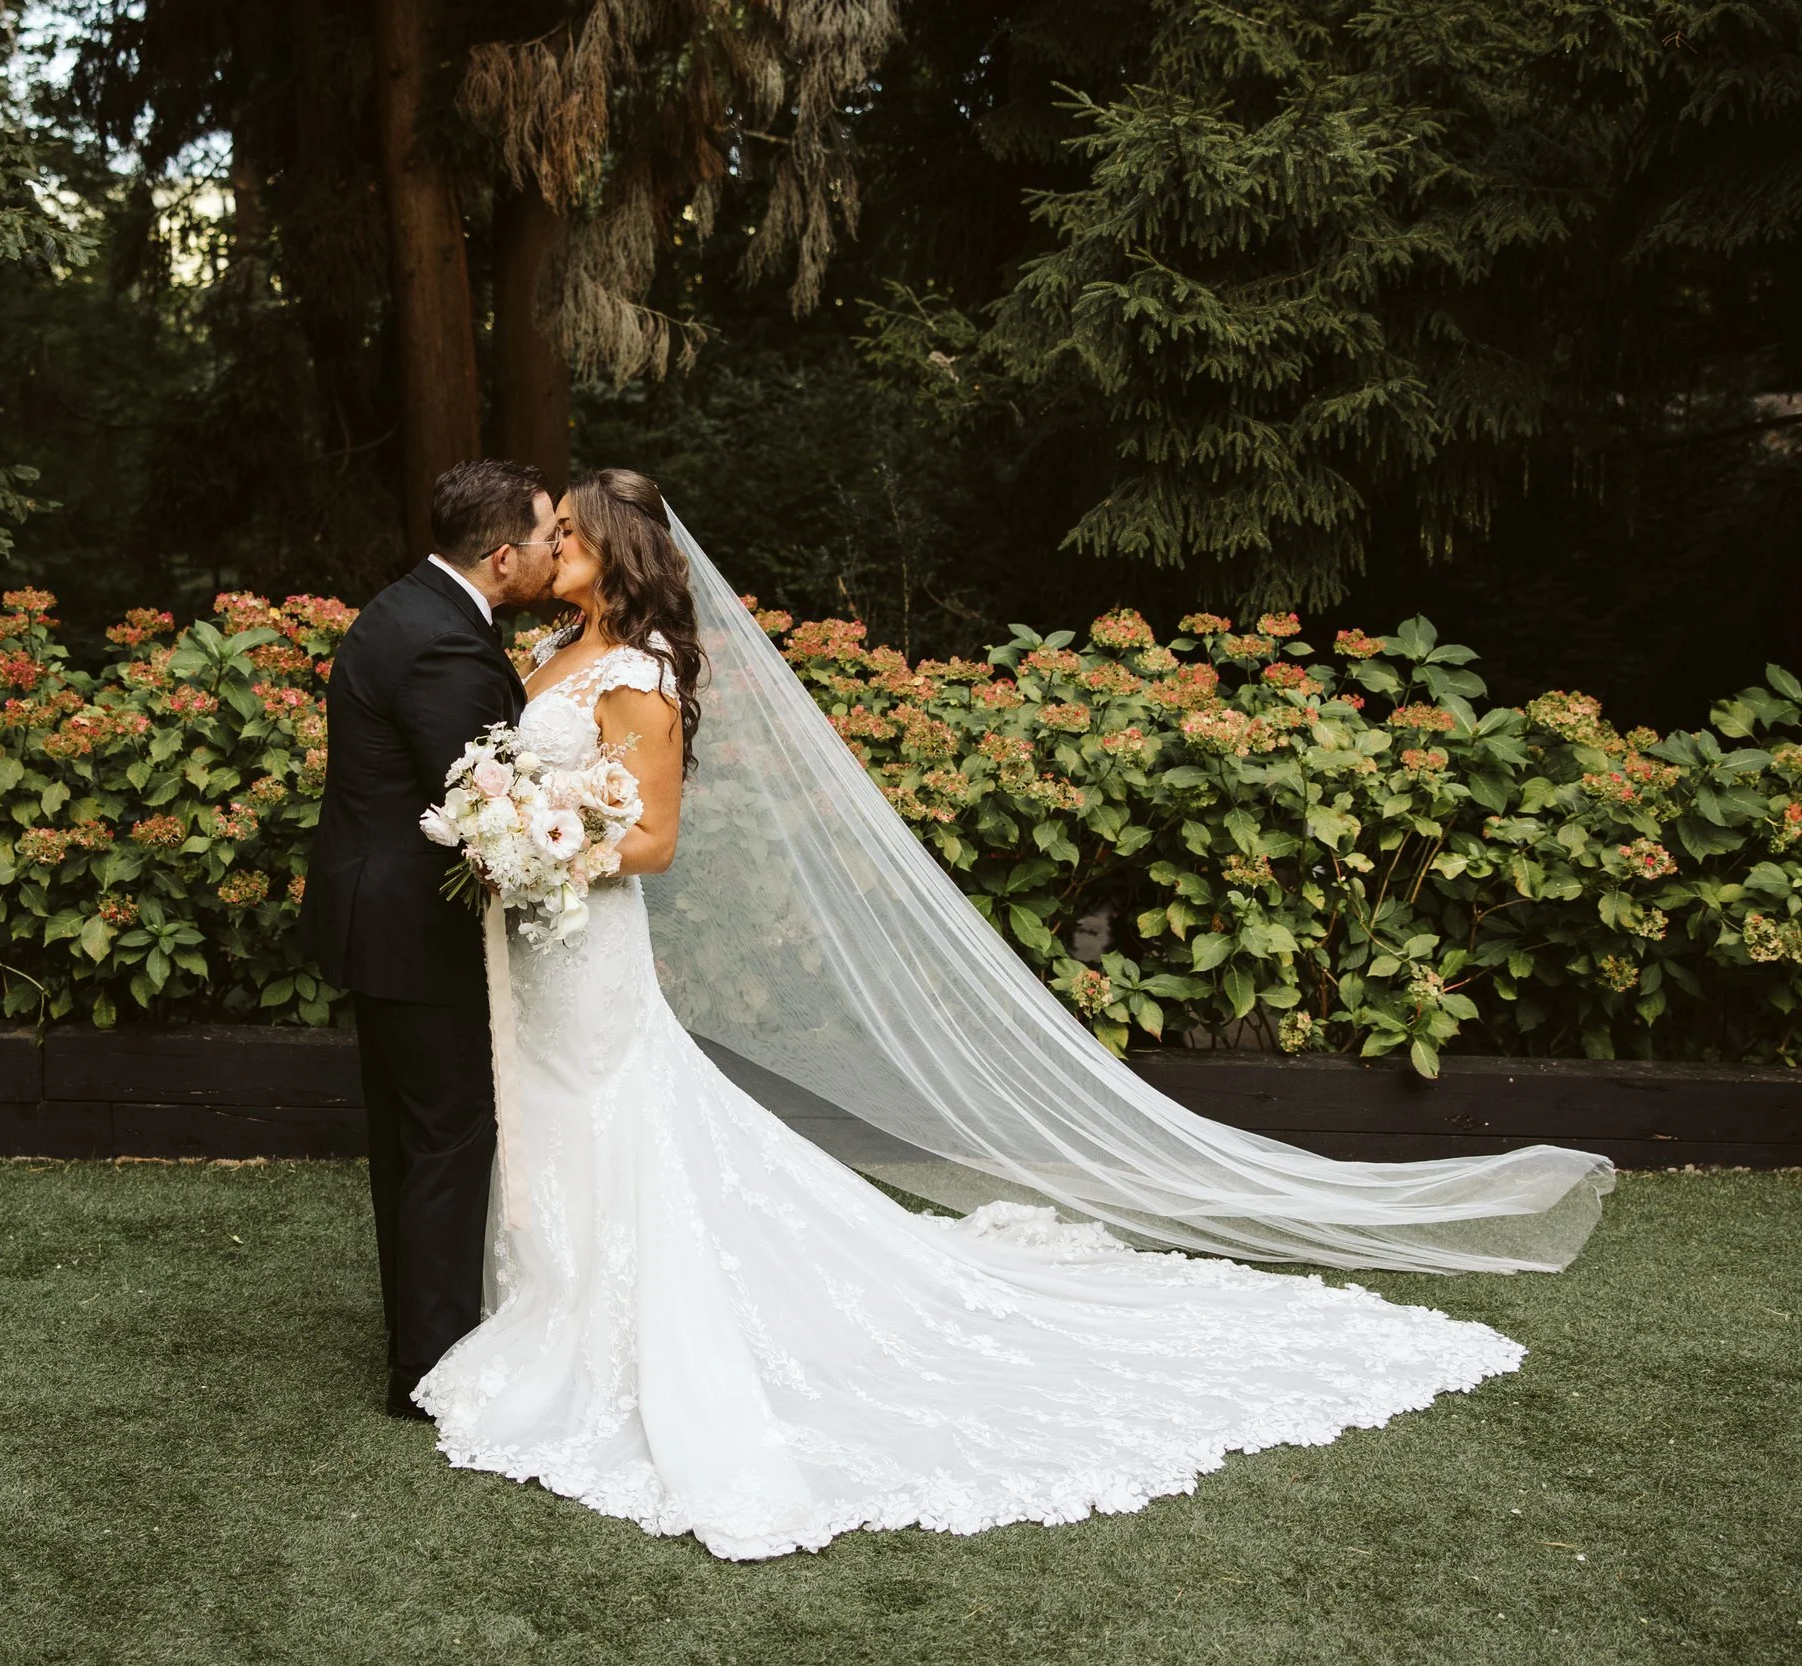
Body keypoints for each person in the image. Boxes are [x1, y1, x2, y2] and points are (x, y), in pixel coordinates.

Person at [408, 468, 1615, 1560]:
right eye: (552, 533)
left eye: (569, 534)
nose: (549, 545)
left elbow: (656, 842)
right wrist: (507, 822)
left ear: (615, 552)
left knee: (614, 1110)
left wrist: (534, 847)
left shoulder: (641, 677)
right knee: (554, 1109)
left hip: (586, 936)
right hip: (540, 946)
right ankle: (552, 1296)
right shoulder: (556, 647)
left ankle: (616, 1325)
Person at [301, 459, 561, 1421]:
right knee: (449, 1138)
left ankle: (419, 1348)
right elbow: (482, 804)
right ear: (503, 558)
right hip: (415, 931)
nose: (556, 550)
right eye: (546, 538)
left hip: (378, 920)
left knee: (412, 1140)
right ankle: (435, 1370)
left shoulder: (409, 606)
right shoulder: (445, 646)